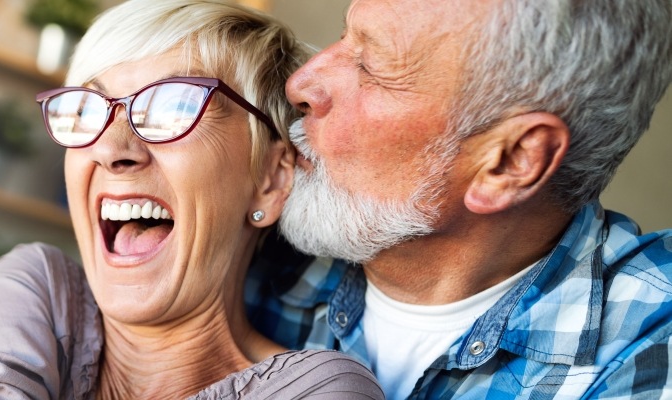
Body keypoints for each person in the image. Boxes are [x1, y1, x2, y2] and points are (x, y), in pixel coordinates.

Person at [0, 1, 383, 399]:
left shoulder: (321, 389)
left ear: (272, 180)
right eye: (87, 108)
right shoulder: (41, 293)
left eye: (173, 106)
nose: (110, 149)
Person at [243, 0, 672, 399]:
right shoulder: (251, 236)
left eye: (371, 68)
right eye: (343, 35)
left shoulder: (650, 346)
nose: (300, 82)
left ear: (509, 163)